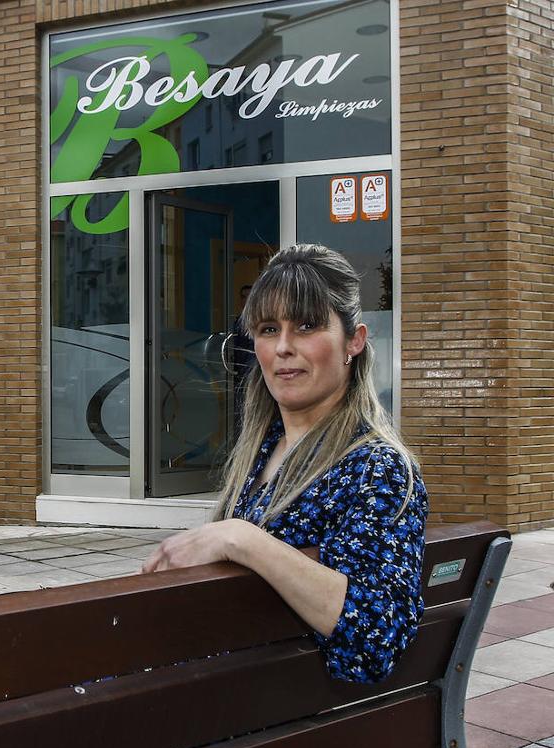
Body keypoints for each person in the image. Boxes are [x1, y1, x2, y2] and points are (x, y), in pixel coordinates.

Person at [142, 244, 427, 684]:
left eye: (307, 326)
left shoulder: (376, 468)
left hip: (251, 717)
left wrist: (241, 538)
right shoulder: (264, 449)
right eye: (269, 329)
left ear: (355, 339)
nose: (283, 348)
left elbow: (377, 636)